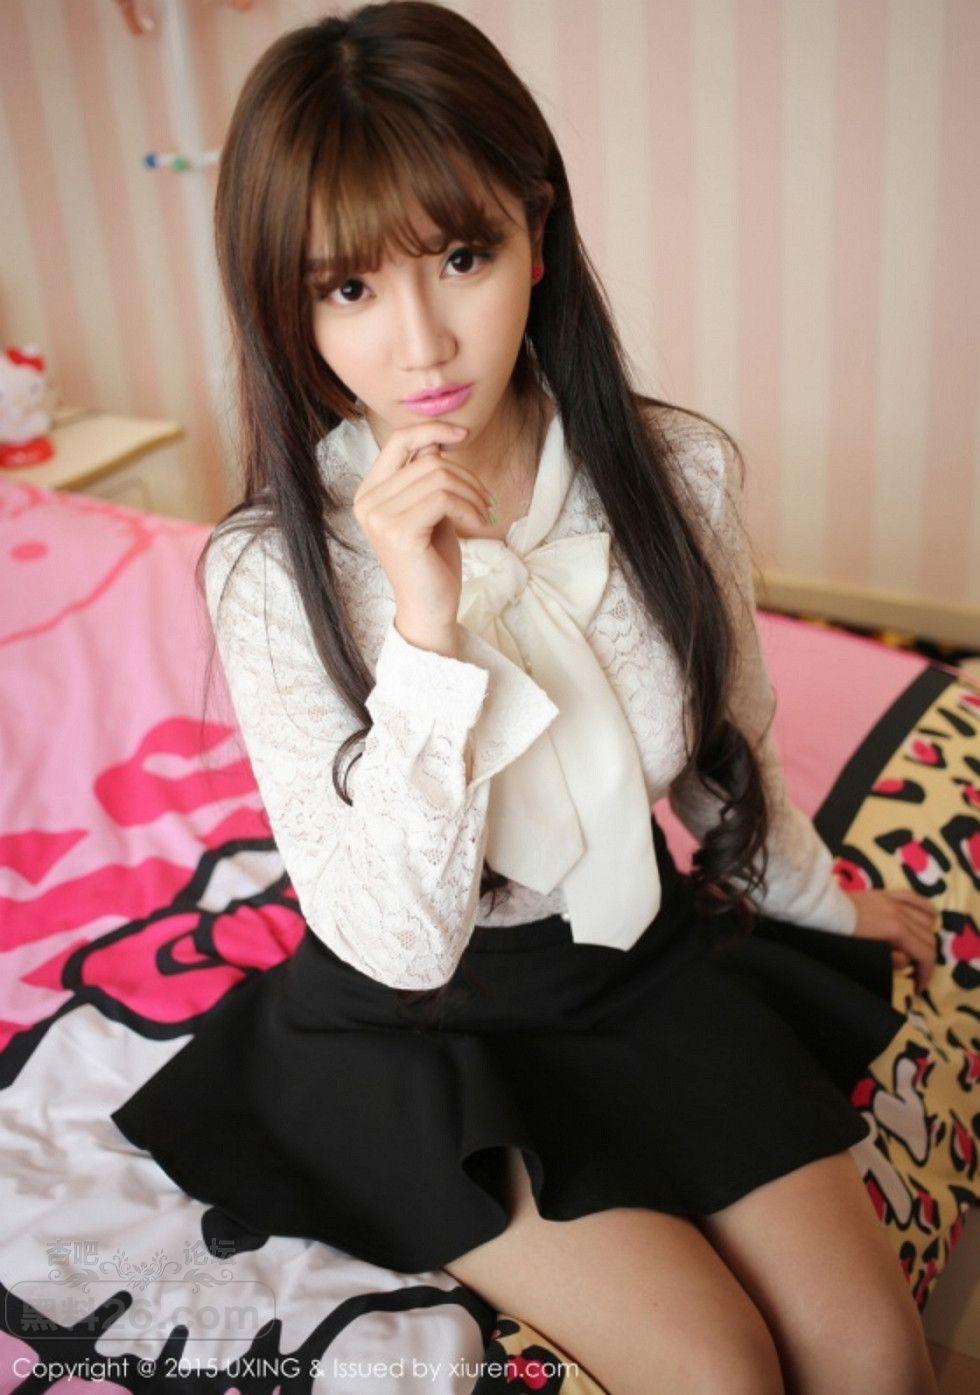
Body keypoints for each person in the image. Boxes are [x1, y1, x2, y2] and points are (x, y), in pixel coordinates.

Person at [110, 5, 941, 1392]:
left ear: (535, 234)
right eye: (347, 288)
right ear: (285, 307)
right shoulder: (268, 573)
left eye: (461, 256)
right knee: (722, 1378)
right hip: (418, 1025)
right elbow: (401, 940)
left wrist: (823, 903)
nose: (423, 345)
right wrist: (427, 636)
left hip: (638, 959)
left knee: (872, 1357)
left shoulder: (676, 477)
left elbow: (725, 751)